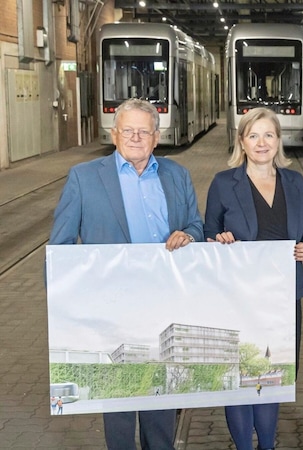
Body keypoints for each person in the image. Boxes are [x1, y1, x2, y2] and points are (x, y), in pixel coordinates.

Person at [49, 97, 203, 450]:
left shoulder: (177, 174)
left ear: (156, 136)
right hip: (112, 308)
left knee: (160, 401)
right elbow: (60, 248)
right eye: (128, 130)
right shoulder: (84, 178)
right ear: (114, 134)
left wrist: (190, 234)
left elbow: (196, 222)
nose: (136, 137)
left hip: (165, 303)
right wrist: (65, 312)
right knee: (118, 405)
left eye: (143, 131)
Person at [204, 107, 303, 450]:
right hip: (238, 297)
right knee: (241, 376)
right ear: (242, 141)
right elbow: (209, 233)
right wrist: (218, 240)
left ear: (278, 140)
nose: (261, 142)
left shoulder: (296, 182)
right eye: (253, 135)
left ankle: (266, 445)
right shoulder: (225, 183)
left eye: (268, 134)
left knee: (273, 375)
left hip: (283, 297)